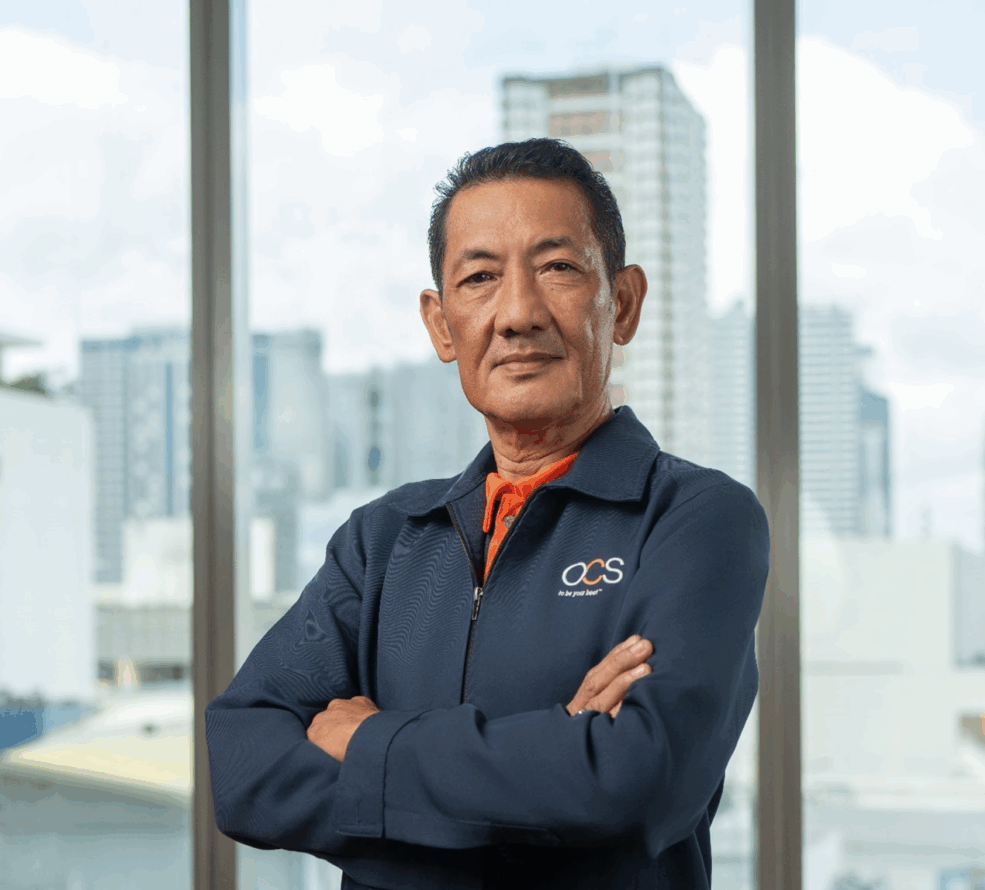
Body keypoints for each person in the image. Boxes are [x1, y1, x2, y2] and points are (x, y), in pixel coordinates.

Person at [206, 137, 770, 890]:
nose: (517, 314)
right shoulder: (382, 542)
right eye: (479, 278)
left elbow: (634, 786)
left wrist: (373, 743)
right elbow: (243, 765)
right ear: (442, 325)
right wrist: (554, 767)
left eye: (558, 268)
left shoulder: (696, 521)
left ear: (624, 303)